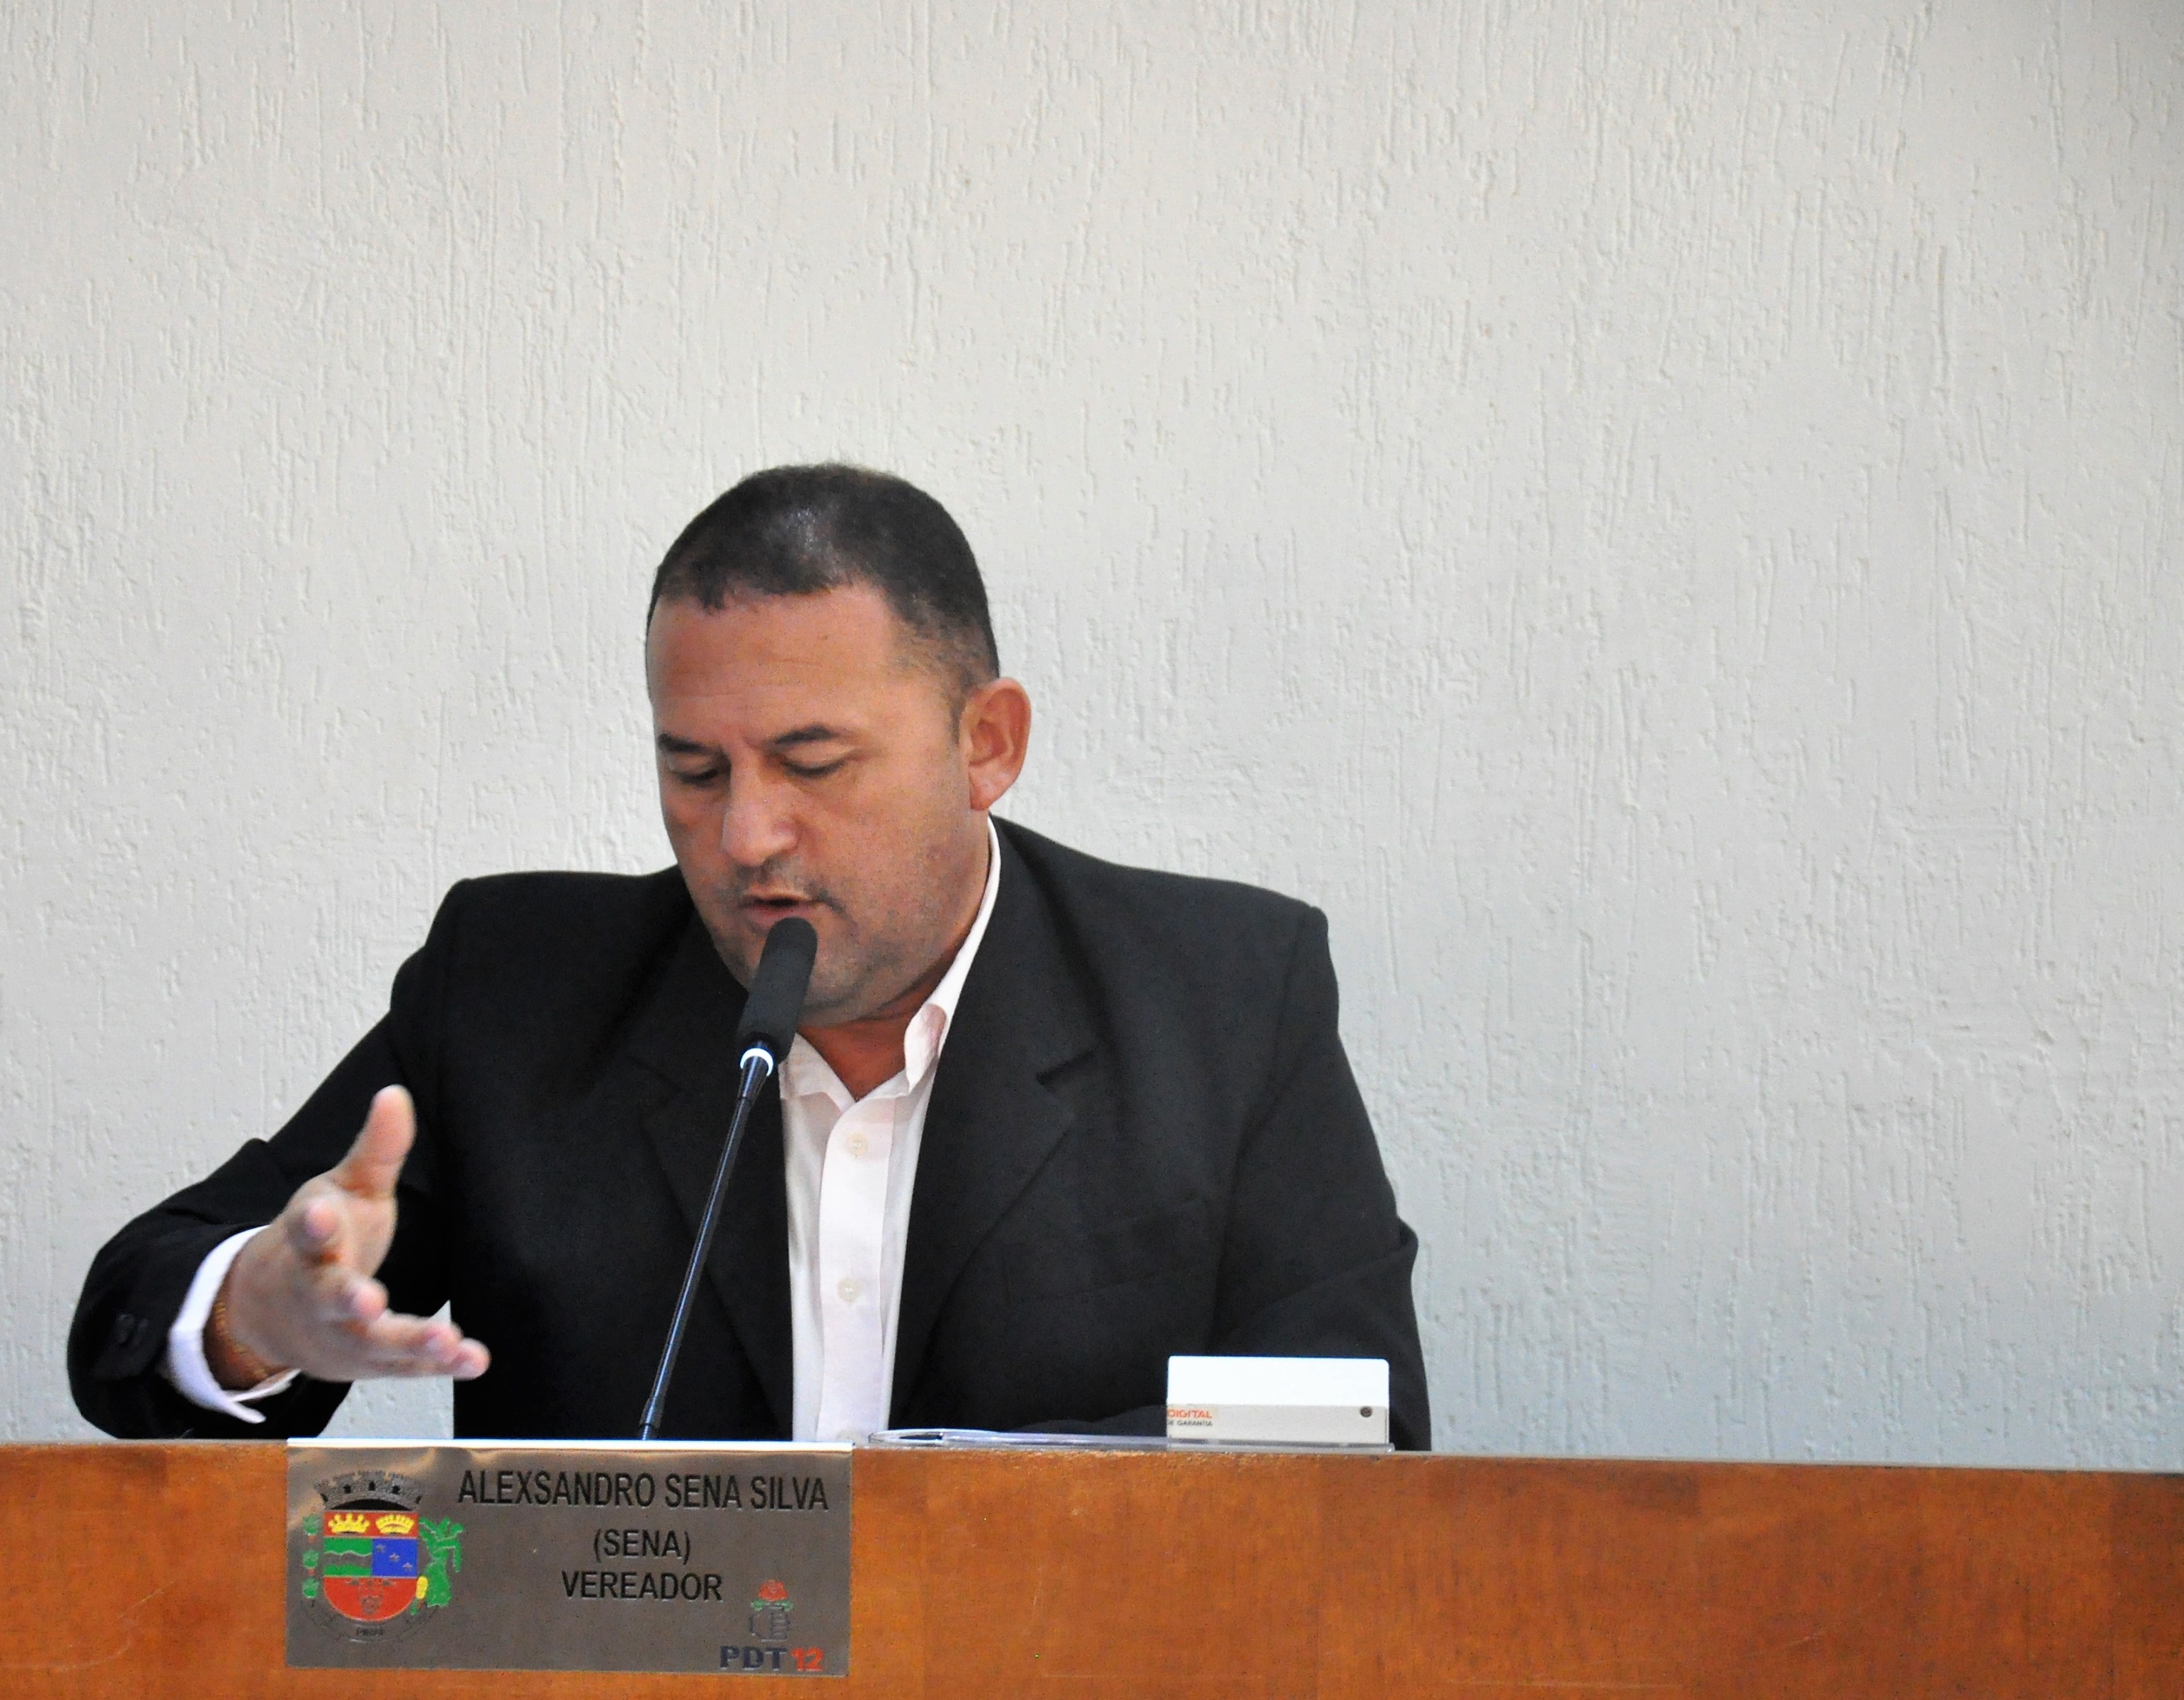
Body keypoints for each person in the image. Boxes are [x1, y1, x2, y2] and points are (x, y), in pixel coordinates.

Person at [68, 464, 1429, 1445]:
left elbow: (1356, 1425)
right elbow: (134, 1307)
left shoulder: (1224, 997)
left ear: (986, 745)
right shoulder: (520, 993)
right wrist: (253, 1316)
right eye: (694, 770)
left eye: (812, 764)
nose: (744, 836)